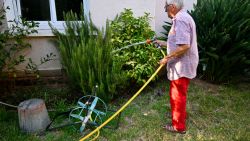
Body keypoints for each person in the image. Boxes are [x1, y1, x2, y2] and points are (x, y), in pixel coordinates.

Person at [154, 0, 199, 134]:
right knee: (178, 93)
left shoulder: (180, 20)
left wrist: (166, 58)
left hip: (182, 66)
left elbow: (184, 46)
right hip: (182, 64)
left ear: (172, 7)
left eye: (166, 8)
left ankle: (178, 127)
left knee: (177, 95)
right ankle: (178, 116)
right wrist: (161, 43)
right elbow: (177, 42)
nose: (166, 11)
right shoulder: (182, 18)